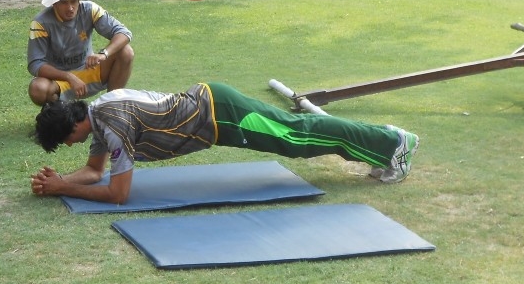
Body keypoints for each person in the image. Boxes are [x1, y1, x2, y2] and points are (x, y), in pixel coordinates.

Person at [30, 82, 419, 204]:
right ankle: (384, 140)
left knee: (299, 137)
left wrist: (64, 188)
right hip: (214, 107)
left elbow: (118, 194)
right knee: (298, 133)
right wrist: (60, 182)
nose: (69, 146)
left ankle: (393, 142)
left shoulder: (111, 124)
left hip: (222, 113)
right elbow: (95, 171)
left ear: (76, 123)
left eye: (66, 140)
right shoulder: (98, 114)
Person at [27, 0, 134, 106]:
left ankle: (111, 106)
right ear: (54, 3)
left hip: (89, 70)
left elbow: (123, 33)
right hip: (58, 79)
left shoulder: (90, 10)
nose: (70, 8)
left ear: (79, 0)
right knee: (38, 88)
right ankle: (61, 111)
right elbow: (35, 64)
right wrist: (68, 77)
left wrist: (103, 54)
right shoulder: (40, 22)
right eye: (64, 3)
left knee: (126, 51)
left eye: (74, 1)